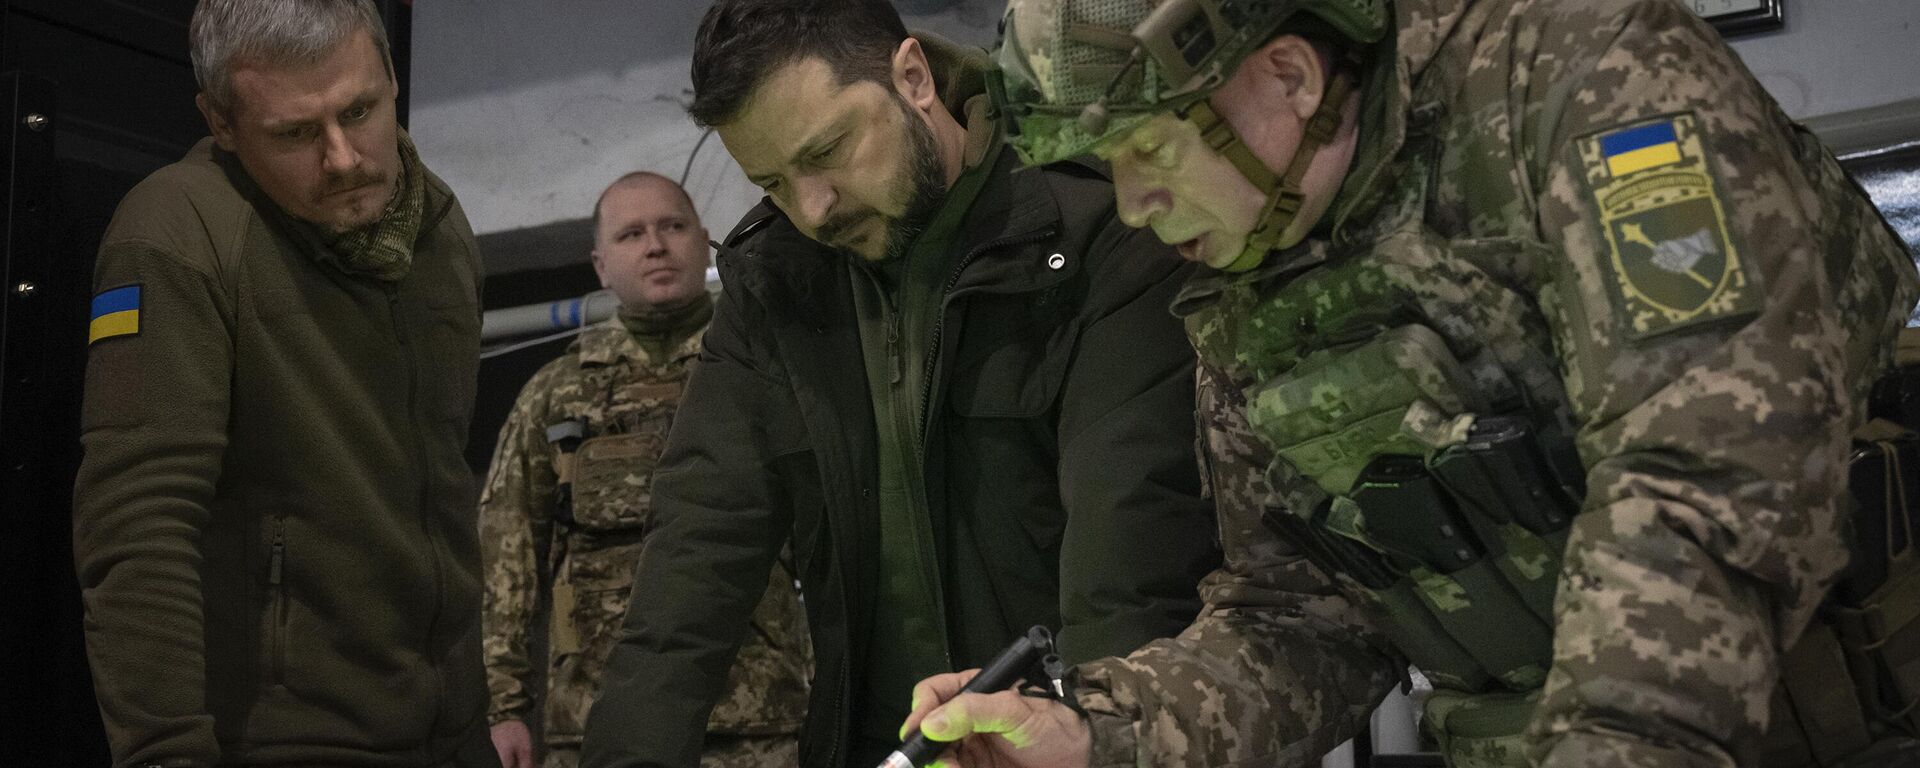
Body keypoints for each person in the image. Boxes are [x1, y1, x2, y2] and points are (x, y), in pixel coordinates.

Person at [901, 0, 1920, 766]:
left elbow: (1707, 474)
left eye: (1149, 149)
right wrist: (1095, 736)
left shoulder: (1582, 75)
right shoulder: (1252, 256)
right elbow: (1302, 614)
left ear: (1291, 74)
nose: (1133, 206)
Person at [578, 1, 1223, 766]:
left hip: (1056, 741)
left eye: (828, 150)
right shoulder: (779, 283)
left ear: (913, 77)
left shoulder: (1090, 227)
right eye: (773, 181)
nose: (812, 207)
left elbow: (1129, 575)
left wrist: (1091, 743)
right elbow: (694, 555)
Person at [70, 1, 496, 766]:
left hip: (455, 733)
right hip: (285, 739)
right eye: (296, 133)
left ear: (393, 77)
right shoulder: (175, 230)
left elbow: (445, 485)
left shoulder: (442, 230)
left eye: (359, 110)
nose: (344, 157)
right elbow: (138, 526)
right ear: (222, 123)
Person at [479, 172, 811, 768]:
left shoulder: (767, 369)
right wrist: (506, 705)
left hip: (756, 717)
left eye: (673, 226)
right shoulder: (555, 396)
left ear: (704, 239)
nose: (656, 245)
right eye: (632, 234)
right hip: (597, 722)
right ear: (601, 265)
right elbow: (508, 553)